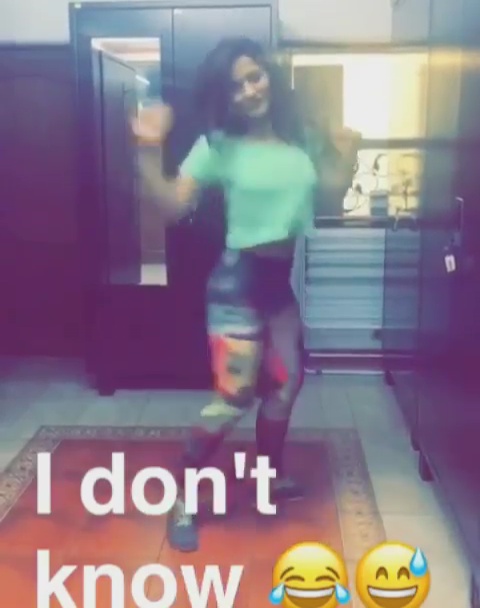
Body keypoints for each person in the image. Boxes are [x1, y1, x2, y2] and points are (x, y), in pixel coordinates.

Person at [131, 37, 360, 552]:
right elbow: (172, 205)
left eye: (254, 76)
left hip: (278, 283)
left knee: (286, 385)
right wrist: (146, 150)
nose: (249, 90)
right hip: (236, 284)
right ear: (225, 96)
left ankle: (269, 477)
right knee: (234, 396)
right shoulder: (217, 147)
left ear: (269, 75)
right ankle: (180, 498)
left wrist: (346, 157)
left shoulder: (300, 138)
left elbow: (330, 195)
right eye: (235, 86)